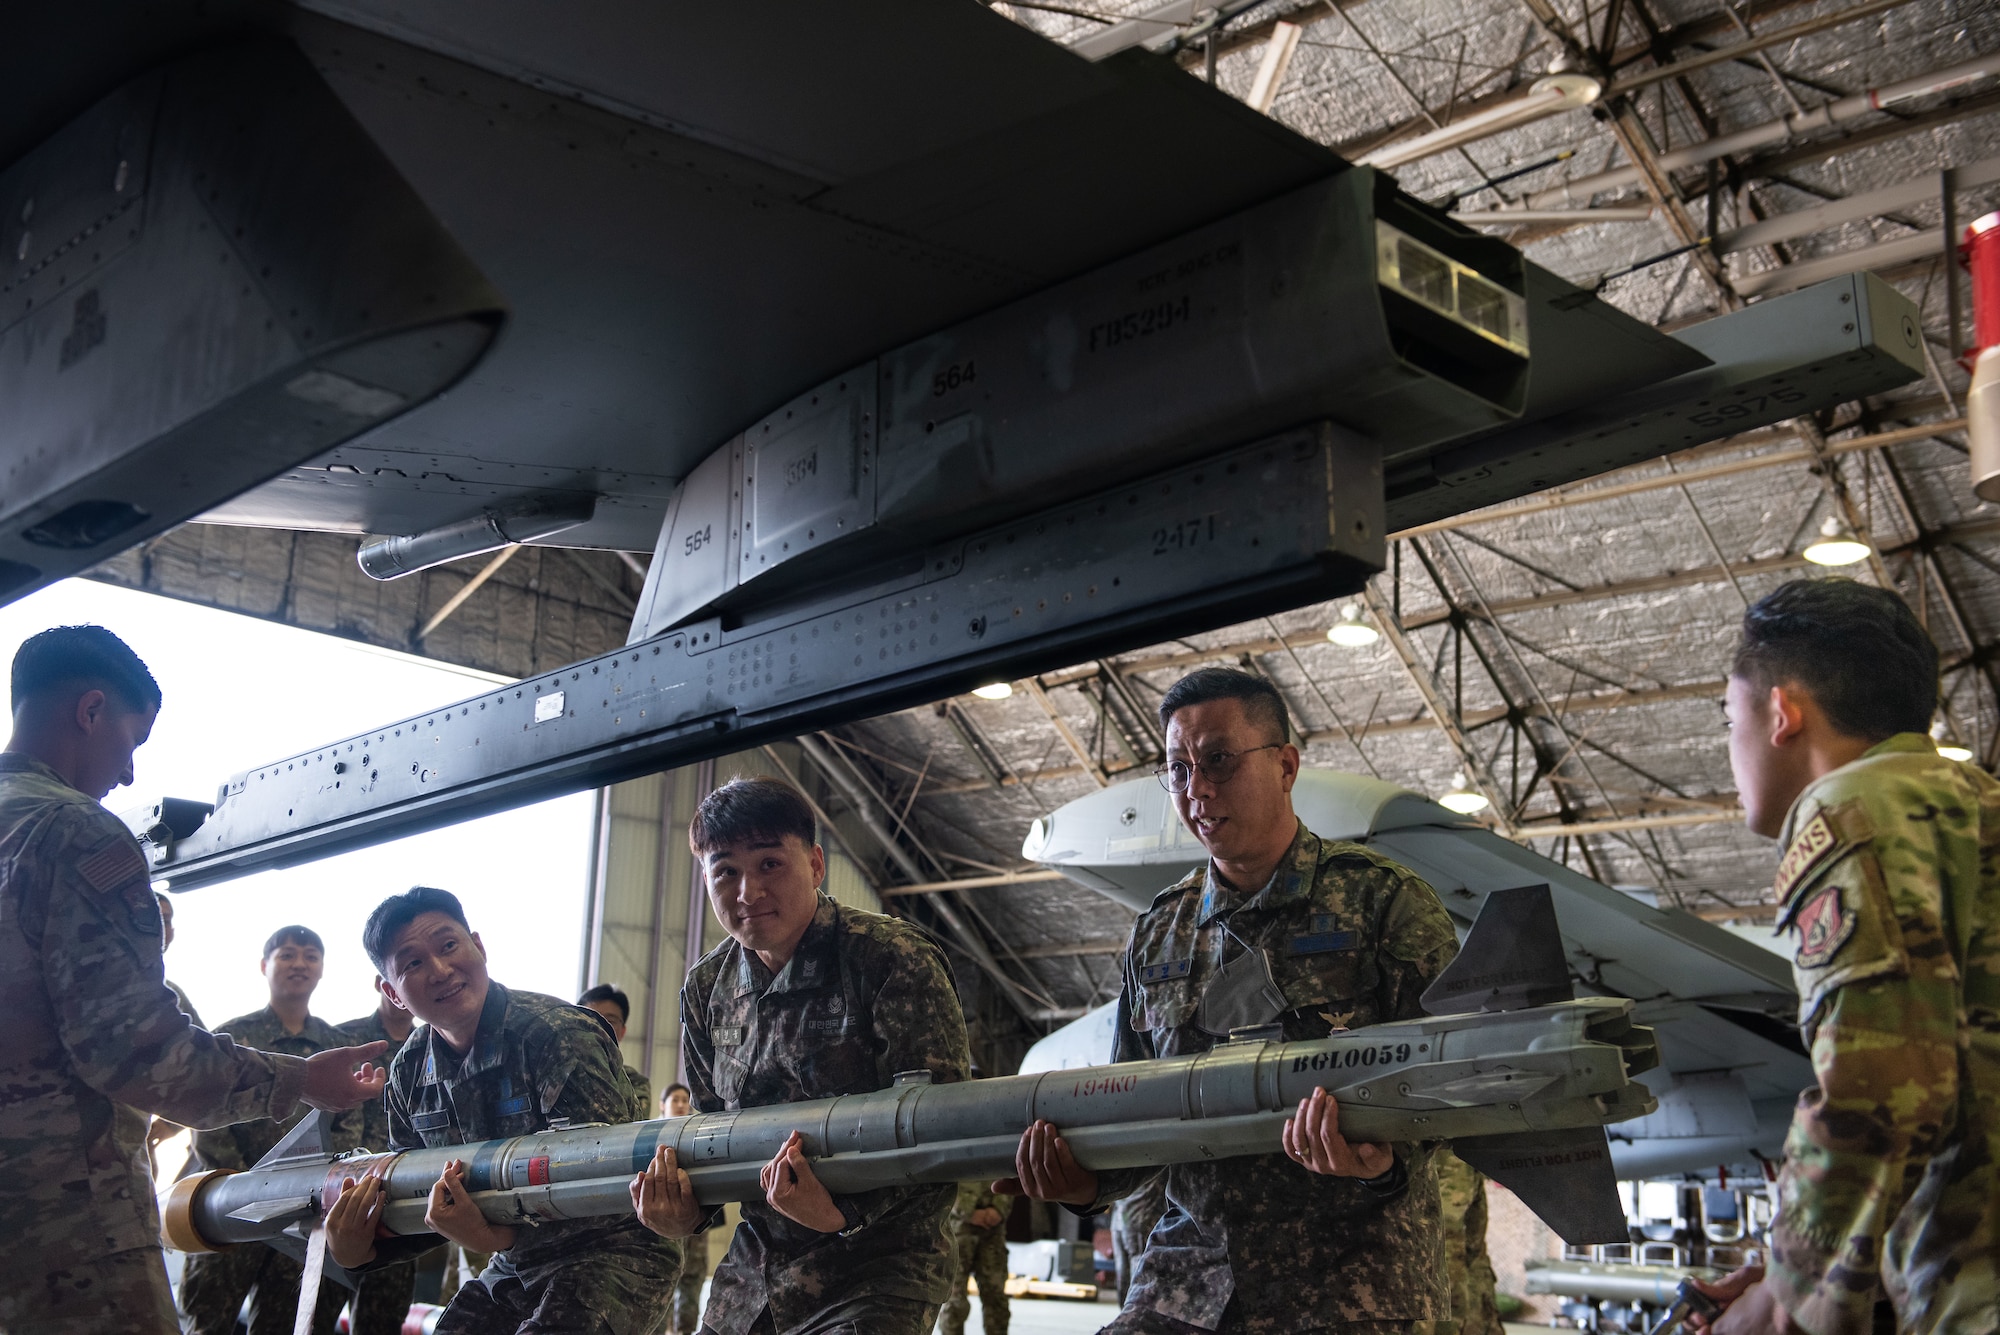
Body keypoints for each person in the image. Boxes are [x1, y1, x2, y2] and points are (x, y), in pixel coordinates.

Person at [1003, 667, 1460, 1334]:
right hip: (1192, 1281)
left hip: (1350, 1283)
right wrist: (1080, 1182)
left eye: (1218, 759)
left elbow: (1449, 1082)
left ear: (1286, 765)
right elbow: (1132, 1113)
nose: (1198, 788)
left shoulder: (1383, 902)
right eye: (1178, 767)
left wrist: (1386, 1161)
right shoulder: (1158, 932)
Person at [0, 624, 386, 1335]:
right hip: (57, 1230)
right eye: (132, 740)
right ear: (90, 711)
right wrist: (301, 1080)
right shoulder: (75, 831)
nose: (127, 774)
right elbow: (137, 1053)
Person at [1689, 580, 1997, 1335]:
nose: (1732, 750)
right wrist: (1793, 1265)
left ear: (1782, 713)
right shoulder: (1973, 800)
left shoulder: (1850, 813)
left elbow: (1880, 1091)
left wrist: (1779, 1302)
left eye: (1731, 719)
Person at [627, 776, 972, 1335]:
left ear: (815, 864)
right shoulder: (707, 987)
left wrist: (842, 1215)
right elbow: (710, 1135)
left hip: (878, 1269)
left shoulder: (890, 959)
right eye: (726, 872)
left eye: (769, 864)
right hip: (754, 1275)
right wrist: (686, 1212)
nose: (747, 892)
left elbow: (940, 1126)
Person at [323, 886, 682, 1333]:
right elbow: (420, 1204)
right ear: (392, 992)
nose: (440, 970)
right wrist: (359, 1250)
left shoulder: (556, 1035)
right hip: (514, 1264)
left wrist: (497, 1236)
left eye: (449, 945)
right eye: (412, 962)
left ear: (479, 946)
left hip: (613, 1251)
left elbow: (606, 1183)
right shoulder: (409, 1072)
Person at [178, 925, 359, 1335]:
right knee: (207, 1321)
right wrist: (246, 1187)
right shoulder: (230, 1039)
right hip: (225, 1206)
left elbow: (350, 1122)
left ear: (322, 969)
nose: (300, 964)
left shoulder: (334, 1043)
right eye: (287, 954)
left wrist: (315, 1187)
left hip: (301, 1213)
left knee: (284, 1323)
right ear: (265, 965)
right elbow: (205, 1119)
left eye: (311, 956)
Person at [339, 974, 428, 1335]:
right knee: (313, 1312)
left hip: (401, 1199)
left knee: (382, 1320)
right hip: (338, 1197)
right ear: (383, 983)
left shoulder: (432, 1044)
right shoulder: (344, 1042)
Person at [1426, 1151, 1501, 1335]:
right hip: (1446, 1265)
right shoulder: (1463, 1156)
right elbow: (1477, 1229)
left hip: (1445, 1264)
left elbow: (1477, 1222)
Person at [939, 1180, 1013, 1335]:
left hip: (993, 1234)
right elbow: (943, 1180)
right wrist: (968, 1211)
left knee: (996, 1299)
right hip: (957, 1233)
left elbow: (1011, 1176)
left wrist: (998, 1209)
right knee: (954, 1301)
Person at [578, 982, 655, 1121]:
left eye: (609, 1021)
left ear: (622, 1031)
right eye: (589, 1019)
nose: (598, 1027)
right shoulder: (560, 1072)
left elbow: (633, 1128)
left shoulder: (634, 1083)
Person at [1112, 1173, 1168, 1305]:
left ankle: (1125, 1314)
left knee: (1124, 1272)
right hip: (1139, 1217)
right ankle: (1131, 1312)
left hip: (1120, 1219)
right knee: (1138, 1269)